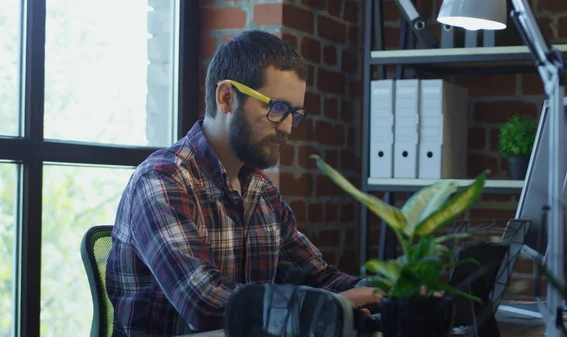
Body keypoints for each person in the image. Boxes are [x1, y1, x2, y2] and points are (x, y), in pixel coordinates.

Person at [105, 29, 380, 337]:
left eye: (295, 113)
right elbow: (205, 304)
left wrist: (382, 292)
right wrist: (332, 304)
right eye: (277, 109)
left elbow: (318, 275)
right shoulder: (162, 180)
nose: (288, 127)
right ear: (226, 98)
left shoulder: (262, 192)